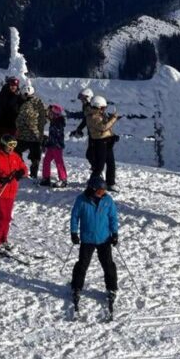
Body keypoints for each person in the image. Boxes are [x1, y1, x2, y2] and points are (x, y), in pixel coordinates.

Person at [69, 174, 119, 314]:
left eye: (104, 191)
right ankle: (76, 287)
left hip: (104, 239)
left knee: (108, 264)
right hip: (87, 239)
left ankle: (112, 288)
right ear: (92, 189)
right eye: (99, 191)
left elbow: (113, 217)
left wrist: (114, 234)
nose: (102, 193)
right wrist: (74, 232)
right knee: (82, 264)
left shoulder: (108, 200)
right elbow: (75, 216)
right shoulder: (82, 200)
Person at [0, 133, 27, 252]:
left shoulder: (15, 156)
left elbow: (24, 168)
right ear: (3, 144)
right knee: (1, 217)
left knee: (7, 218)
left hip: (11, 192)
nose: (12, 147)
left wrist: (21, 172)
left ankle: (3, 239)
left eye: (14, 145)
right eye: (10, 145)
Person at [15, 82, 48, 182]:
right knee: (36, 156)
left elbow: (19, 121)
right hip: (37, 136)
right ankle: (34, 173)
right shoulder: (39, 102)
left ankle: (21, 169)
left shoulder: (25, 106)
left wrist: (18, 127)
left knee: (16, 151)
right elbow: (44, 116)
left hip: (24, 136)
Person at [85, 95, 119, 190]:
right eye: (103, 108)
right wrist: (114, 119)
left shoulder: (100, 114)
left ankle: (110, 182)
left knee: (111, 163)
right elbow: (103, 127)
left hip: (107, 141)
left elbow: (106, 125)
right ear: (97, 106)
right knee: (99, 166)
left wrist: (110, 119)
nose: (104, 110)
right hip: (99, 142)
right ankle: (92, 184)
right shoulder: (92, 116)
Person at [40, 104, 68, 188]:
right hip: (51, 145)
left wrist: (53, 143)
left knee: (59, 162)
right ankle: (46, 178)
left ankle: (63, 179)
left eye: (50, 113)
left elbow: (58, 135)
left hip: (57, 146)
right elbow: (52, 135)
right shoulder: (53, 122)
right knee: (46, 160)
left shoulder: (58, 123)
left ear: (55, 114)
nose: (49, 115)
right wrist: (47, 142)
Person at [69, 87, 94, 164]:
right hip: (91, 133)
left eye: (83, 99)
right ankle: (95, 169)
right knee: (90, 154)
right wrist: (79, 129)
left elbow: (90, 119)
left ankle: (97, 169)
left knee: (91, 154)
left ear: (88, 98)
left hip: (95, 133)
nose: (81, 101)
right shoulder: (86, 106)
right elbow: (86, 119)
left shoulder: (91, 107)